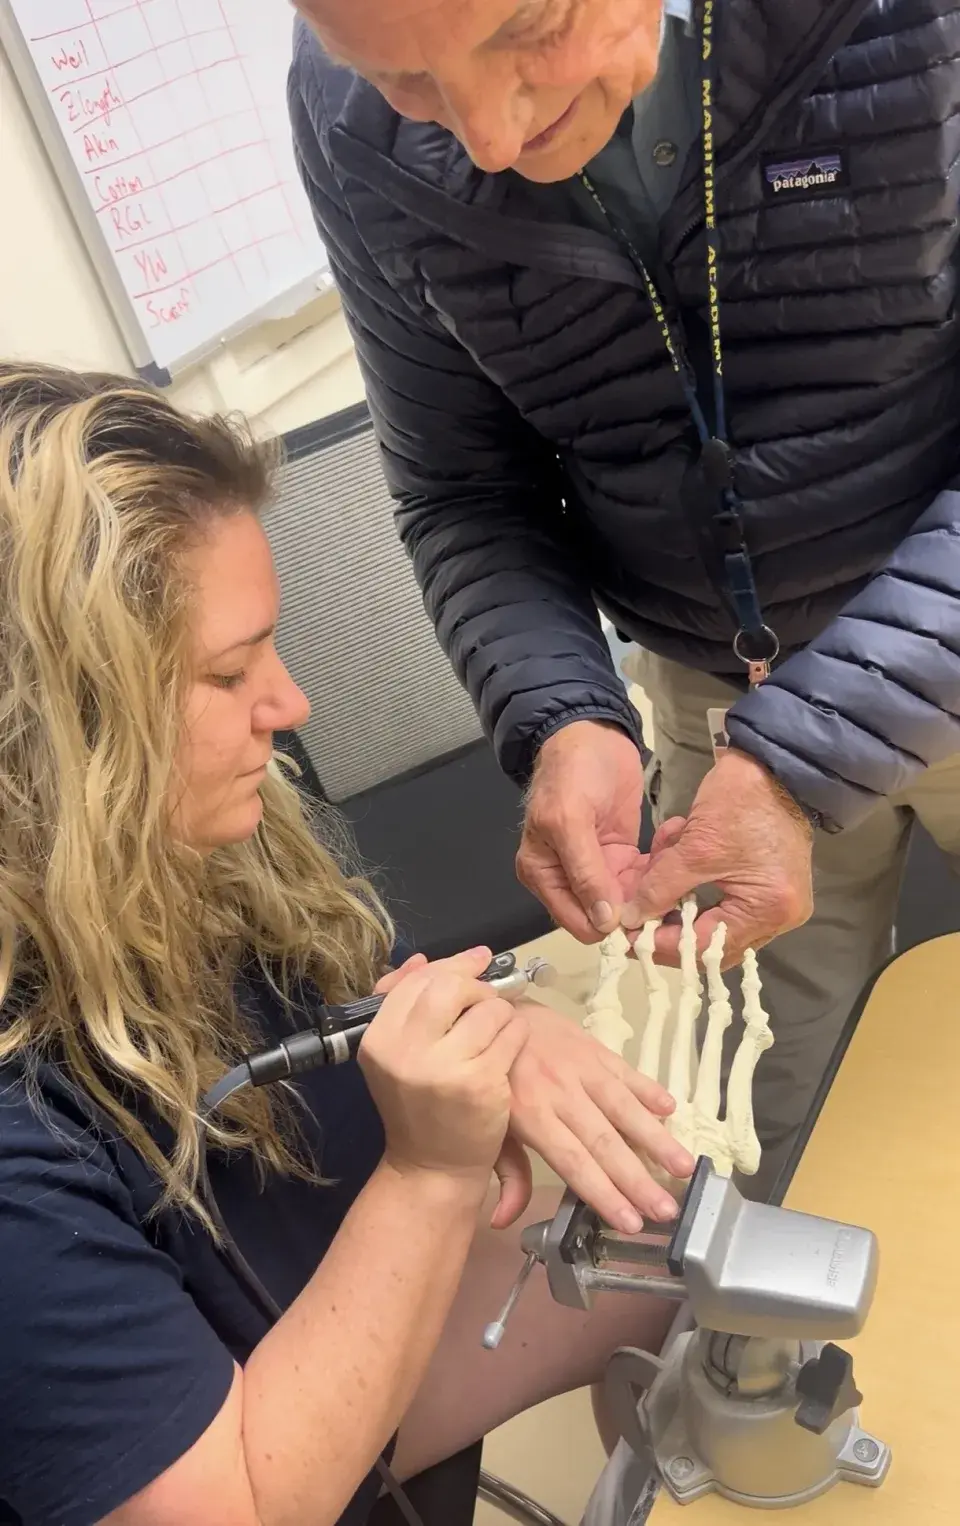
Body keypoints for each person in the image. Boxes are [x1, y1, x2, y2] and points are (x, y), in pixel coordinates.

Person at [0, 363, 693, 1526]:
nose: (290, 704)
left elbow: (359, 995)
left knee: (674, 1238)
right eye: (227, 673)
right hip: (246, 1462)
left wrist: (498, 1038)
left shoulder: (195, 844)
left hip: (305, 1328)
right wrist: (430, 1171)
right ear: (54, 724)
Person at [288, 0, 960, 1195]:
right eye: (405, 81)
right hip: (714, 686)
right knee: (744, 1104)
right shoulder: (344, 112)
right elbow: (459, 486)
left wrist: (802, 761)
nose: (490, 139)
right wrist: (562, 712)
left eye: (529, 26)